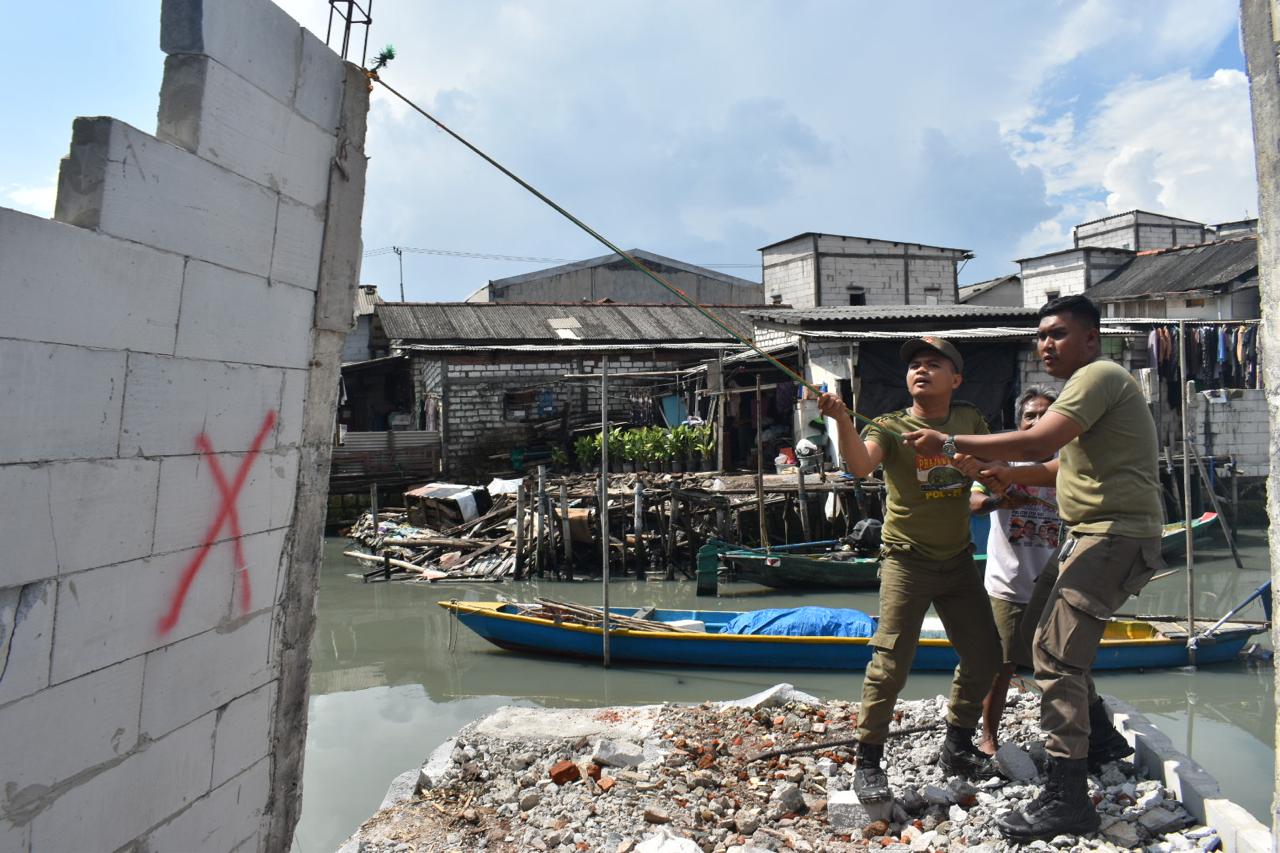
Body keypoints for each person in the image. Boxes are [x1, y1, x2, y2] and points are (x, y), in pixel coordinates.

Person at [902, 295, 1164, 841]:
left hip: (1112, 535)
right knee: (1030, 640)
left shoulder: (1098, 376)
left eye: (1059, 334)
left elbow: (1041, 440)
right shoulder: (1085, 389)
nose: (1046, 343)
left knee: (1054, 655)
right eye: (1041, 335)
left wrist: (951, 441)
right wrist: (1002, 472)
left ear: (1090, 338)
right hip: (1090, 534)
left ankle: (1067, 796)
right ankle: (1105, 745)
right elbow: (1055, 468)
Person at [817, 336, 1002, 805]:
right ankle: (868, 760)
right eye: (915, 365)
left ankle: (957, 745)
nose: (921, 370)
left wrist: (977, 467)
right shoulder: (888, 425)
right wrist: (841, 420)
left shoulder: (968, 419)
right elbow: (859, 466)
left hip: (958, 560)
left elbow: (990, 472)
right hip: (906, 560)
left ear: (955, 379)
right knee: (890, 665)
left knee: (985, 657)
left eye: (933, 364)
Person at [968, 387, 1061, 757]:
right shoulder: (1003, 463)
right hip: (1007, 584)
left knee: (1058, 665)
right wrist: (1003, 499)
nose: (1037, 422)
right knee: (1000, 666)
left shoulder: (1068, 462)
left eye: (1046, 416)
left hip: (1054, 581)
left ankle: (1063, 735)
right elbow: (974, 503)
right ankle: (988, 738)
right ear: (1020, 423)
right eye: (1030, 417)